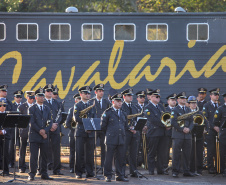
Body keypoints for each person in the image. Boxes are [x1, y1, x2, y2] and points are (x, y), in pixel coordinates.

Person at [101, 93, 129, 182]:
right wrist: (110, 133)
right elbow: (103, 126)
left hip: (121, 139)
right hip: (111, 138)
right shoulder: (108, 112)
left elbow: (125, 125)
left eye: (121, 101)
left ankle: (119, 175)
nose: (120, 103)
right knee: (109, 158)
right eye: (118, 101)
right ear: (113, 102)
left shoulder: (123, 113)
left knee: (120, 158)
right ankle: (108, 175)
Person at [28, 88, 53, 181]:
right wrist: (41, 131)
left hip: (44, 135)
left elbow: (50, 122)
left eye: (43, 96)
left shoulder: (47, 108)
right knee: (33, 156)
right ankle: (32, 173)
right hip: (34, 135)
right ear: (36, 97)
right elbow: (32, 122)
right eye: (40, 96)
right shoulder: (32, 108)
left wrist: (45, 131)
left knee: (44, 156)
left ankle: (44, 173)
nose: (42, 97)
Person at [74, 86, 96, 179]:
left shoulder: (92, 105)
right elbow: (76, 118)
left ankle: (90, 172)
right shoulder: (78, 105)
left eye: (89, 94)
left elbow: (94, 117)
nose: (87, 95)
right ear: (81, 94)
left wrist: (91, 126)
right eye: (85, 93)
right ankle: (78, 172)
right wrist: (86, 122)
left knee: (90, 153)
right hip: (81, 132)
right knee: (79, 153)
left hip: (90, 132)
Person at [170, 92, 194, 177]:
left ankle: (186, 170)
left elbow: (192, 121)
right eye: (182, 98)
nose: (184, 99)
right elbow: (173, 122)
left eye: (185, 98)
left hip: (187, 135)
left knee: (187, 154)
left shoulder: (188, 109)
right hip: (178, 134)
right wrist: (182, 129)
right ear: (178, 100)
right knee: (176, 154)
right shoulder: (175, 110)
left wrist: (189, 129)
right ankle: (175, 171)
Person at [144, 89, 167, 175]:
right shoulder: (147, 107)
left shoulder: (161, 106)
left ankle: (160, 170)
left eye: (159, 97)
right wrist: (164, 125)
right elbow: (153, 119)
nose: (158, 98)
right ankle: (151, 170)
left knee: (161, 152)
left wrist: (167, 124)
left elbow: (165, 117)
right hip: (153, 132)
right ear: (152, 97)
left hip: (162, 132)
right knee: (152, 152)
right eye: (156, 97)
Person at [43, 84, 63, 175]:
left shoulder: (57, 102)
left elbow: (60, 115)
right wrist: (50, 125)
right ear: (44, 92)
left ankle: (56, 170)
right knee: (43, 149)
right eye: (48, 91)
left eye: (51, 91)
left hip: (56, 128)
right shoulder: (42, 102)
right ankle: (42, 170)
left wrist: (56, 124)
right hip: (46, 129)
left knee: (56, 150)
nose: (50, 93)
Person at [90, 84, 110, 172]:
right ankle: (91, 167)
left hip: (104, 128)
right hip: (94, 127)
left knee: (104, 148)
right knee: (91, 147)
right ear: (96, 92)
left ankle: (103, 166)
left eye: (102, 91)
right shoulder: (91, 102)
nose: (101, 93)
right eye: (99, 91)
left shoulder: (106, 102)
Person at [121, 88, 141, 178]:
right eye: (128, 96)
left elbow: (136, 119)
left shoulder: (134, 107)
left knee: (133, 153)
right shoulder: (121, 106)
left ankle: (133, 171)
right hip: (125, 132)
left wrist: (136, 128)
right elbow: (121, 120)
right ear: (124, 97)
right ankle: (121, 171)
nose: (130, 97)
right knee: (123, 152)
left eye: (131, 95)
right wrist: (129, 128)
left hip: (134, 133)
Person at [188, 96, 207, 176]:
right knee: (191, 153)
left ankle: (199, 170)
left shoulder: (200, 113)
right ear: (189, 104)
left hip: (199, 136)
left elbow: (205, 122)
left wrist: (205, 129)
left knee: (199, 153)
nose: (194, 104)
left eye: (195, 103)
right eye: (192, 103)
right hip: (190, 135)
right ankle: (191, 169)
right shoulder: (187, 112)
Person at [202, 88, 220, 174]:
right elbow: (206, 118)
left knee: (219, 150)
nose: (216, 96)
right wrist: (213, 127)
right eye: (215, 94)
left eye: (217, 95)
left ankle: (218, 166)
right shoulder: (207, 105)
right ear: (210, 96)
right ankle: (210, 167)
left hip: (219, 131)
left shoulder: (220, 105)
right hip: (210, 131)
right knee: (211, 150)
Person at [18, 91, 35, 173]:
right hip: (24, 130)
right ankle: (21, 166)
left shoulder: (35, 107)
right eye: (30, 98)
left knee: (34, 149)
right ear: (27, 97)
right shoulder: (21, 106)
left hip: (33, 131)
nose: (32, 100)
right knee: (22, 149)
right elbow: (19, 119)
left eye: (33, 98)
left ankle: (33, 166)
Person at [65, 93, 81, 173]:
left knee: (82, 151)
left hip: (81, 134)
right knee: (73, 151)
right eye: (78, 99)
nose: (80, 100)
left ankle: (82, 167)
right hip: (73, 133)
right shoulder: (72, 109)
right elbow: (67, 123)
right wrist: (74, 129)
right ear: (75, 100)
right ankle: (72, 167)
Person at [8, 90, 23, 168]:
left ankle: (21, 163)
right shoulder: (11, 105)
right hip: (13, 128)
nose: (19, 98)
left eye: (20, 97)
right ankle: (11, 162)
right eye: (17, 97)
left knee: (22, 146)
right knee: (12, 146)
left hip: (22, 128)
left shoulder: (24, 106)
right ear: (14, 97)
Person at [162, 93, 177, 172]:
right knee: (166, 150)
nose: (174, 102)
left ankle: (176, 166)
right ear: (168, 101)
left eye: (175, 100)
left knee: (177, 150)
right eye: (172, 100)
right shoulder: (165, 110)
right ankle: (165, 166)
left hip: (177, 133)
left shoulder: (178, 109)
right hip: (167, 133)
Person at [213, 92, 226, 177]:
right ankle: (223, 169)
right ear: (225, 98)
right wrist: (217, 128)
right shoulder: (221, 108)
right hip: (224, 133)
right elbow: (215, 121)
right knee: (223, 152)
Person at [0, 98, 10, 176]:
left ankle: (6, 170)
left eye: (4, 105)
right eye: (1, 105)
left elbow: (11, 125)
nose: (2, 107)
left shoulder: (8, 114)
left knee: (5, 153)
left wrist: (4, 131)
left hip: (6, 136)